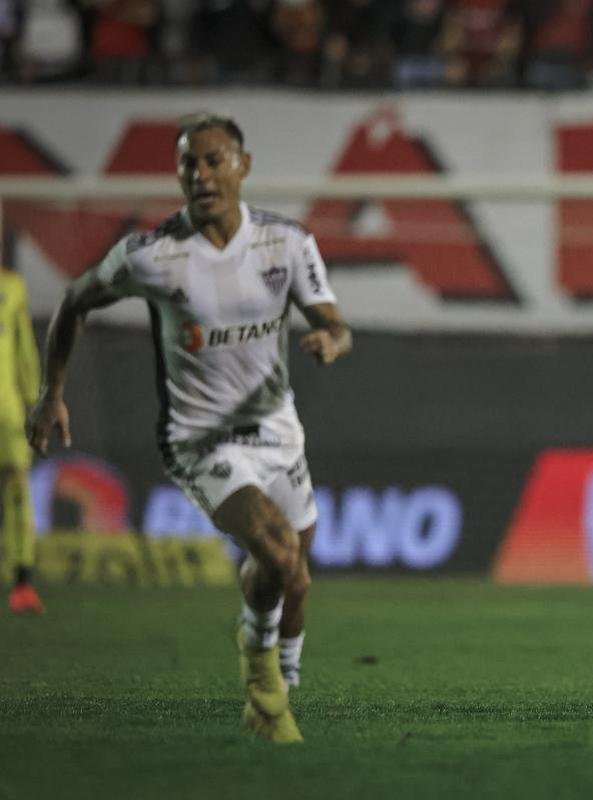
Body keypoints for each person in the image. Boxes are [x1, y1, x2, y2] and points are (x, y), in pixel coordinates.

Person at [26, 113, 351, 743]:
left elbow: (334, 321)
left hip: (279, 432)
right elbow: (74, 299)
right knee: (280, 553)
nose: (200, 175)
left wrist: (330, 341)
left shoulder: (285, 244)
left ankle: (276, 672)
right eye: (188, 164)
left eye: (213, 160)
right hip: (201, 440)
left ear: (243, 165)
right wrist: (52, 392)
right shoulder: (154, 256)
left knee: (295, 577)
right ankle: (268, 694)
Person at [0, 264, 42, 614]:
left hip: (6, 413)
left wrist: (34, 400)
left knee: (16, 490)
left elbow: (24, 347)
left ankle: (22, 581)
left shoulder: (12, 286)